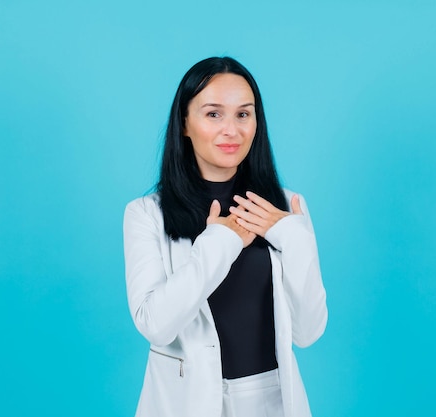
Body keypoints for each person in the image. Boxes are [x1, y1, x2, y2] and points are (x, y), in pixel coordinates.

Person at [123, 57, 327, 417]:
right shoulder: (146, 214)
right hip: (185, 403)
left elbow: (307, 333)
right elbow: (156, 324)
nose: (231, 130)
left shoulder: (285, 208)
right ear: (185, 123)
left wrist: (294, 239)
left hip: (272, 401)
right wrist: (220, 242)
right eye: (213, 114)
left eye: (243, 114)